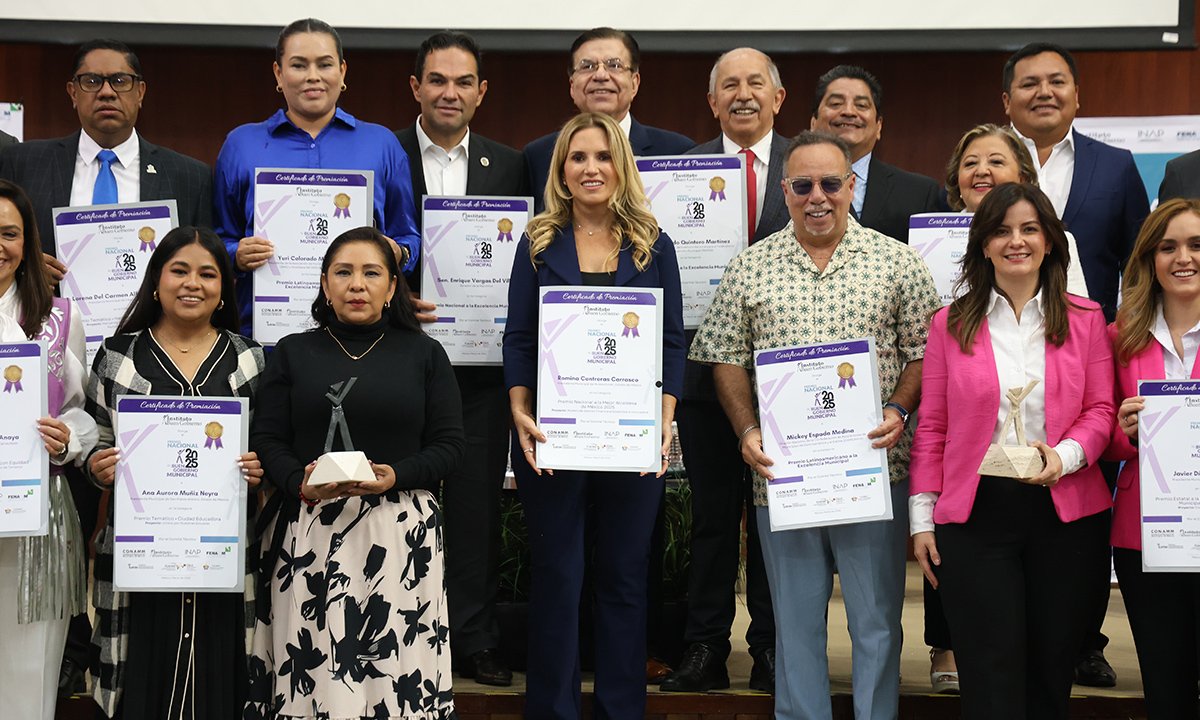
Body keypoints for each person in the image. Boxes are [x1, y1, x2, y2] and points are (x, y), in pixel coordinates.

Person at [690, 131, 940, 720]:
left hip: (873, 473)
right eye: (803, 186)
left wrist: (900, 409)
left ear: (852, 186)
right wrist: (748, 431)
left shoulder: (896, 261)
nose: (818, 197)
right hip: (785, 477)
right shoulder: (751, 266)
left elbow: (926, 352)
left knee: (876, 621)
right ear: (786, 191)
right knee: (793, 624)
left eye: (831, 183)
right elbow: (726, 356)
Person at [0, 41, 212, 692]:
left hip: (140, 375)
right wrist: (27, 258)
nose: (107, 92)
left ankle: (118, 646)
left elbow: (197, 273)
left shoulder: (188, 176)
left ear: (142, 92)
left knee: (126, 518)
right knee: (59, 508)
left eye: (121, 81)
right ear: (71, 93)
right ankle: (66, 649)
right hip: (46, 365)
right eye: (91, 81)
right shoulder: (25, 162)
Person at [909, 182, 1115, 720]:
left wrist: (1065, 456)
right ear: (982, 244)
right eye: (1001, 231)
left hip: (1065, 511)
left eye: (1029, 229)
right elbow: (931, 427)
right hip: (976, 515)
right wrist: (921, 519)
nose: (1015, 241)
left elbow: (1101, 411)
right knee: (989, 672)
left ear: (1050, 240)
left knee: (1050, 671)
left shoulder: (1087, 318)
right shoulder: (949, 324)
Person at [504, 112, 685, 719]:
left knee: (625, 580)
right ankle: (553, 710)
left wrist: (664, 421)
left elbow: (670, 344)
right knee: (559, 578)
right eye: (578, 157)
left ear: (621, 167)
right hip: (552, 437)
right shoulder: (536, 243)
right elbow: (520, 340)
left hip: (633, 439)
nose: (591, 168)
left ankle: (619, 709)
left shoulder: (654, 244)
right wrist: (519, 413)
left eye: (603, 157)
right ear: (561, 169)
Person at [246, 227, 464, 719]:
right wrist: (294, 480)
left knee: (393, 672)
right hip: (308, 533)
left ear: (392, 288)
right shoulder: (293, 350)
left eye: (371, 273)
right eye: (343, 273)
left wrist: (398, 475)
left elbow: (451, 447)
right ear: (325, 285)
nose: (356, 284)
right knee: (315, 668)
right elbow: (267, 439)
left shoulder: (424, 354)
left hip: (400, 536)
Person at [1001, 42, 1149, 686]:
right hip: (1003, 354)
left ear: (1078, 94)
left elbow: (1140, 259)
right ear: (1006, 100)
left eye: (1057, 81)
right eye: (1028, 83)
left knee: (1086, 495)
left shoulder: (1115, 168)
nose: (1044, 92)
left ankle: (1083, 636)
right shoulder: (988, 164)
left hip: (1089, 353)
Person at [84, 225, 265, 718]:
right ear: (156, 280)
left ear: (224, 289)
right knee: (141, 682)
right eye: (179, 270)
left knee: (221, 683)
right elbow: (97, 442)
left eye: (208, 274)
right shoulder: (118, 357)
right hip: (142, 556)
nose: (193, 283)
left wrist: (259, 468)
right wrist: (97, 466)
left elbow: (268, 449)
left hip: (222, 556)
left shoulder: (249, 359)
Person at [395, 29, 527, 688]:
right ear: (415, 87)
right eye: (437, 80)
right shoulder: (384, 155)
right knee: (396, 500)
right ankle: (397, 631)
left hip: (480, 368)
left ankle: (472, 635)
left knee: (475, 507)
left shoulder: (512, 167)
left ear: (481, 92)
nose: (450, 92)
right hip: (395, 362)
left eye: (463, 81)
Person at [662, 47, 787, 695]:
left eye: (755, 83)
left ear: (778, 97)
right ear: (712, 103)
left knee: (772, 519)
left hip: (789, 376)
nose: (743, 94)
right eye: (728, 85)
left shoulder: (811, 168)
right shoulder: (678, 174)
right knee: (713, 518)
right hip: (706, 372)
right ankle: (705, 647)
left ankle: (770, 648)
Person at [213, 18, 421, 336]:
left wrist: (398, 253)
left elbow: (408, 238)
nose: (313, 76)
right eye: (299, 65)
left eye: (324, 64)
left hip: (362, 336)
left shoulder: (381, 144)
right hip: (264, 333)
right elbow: (216, 239)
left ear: (342, 72)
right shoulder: (241, 145)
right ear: (278, 74)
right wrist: (236, 255)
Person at [0, 180, 98, 720]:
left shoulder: (60, 318)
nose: (0, 244)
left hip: (35, 513)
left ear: (28, 240)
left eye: (9, 233)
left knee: (28, 666)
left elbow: (82, 412)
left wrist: (67, 438)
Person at [1105, 198, 1200, 719]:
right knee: (1167, 689)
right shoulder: (1121, 339)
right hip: (1148, 536)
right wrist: (1124, 433)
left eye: (1195, 245)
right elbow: (1106, 440)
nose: (1183, 257)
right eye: (1168, 247)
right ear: (1150, 259)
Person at [523, 27, 693, 213]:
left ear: (634, 83)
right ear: (572, 86)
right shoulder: (538, 155)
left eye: (614, 65)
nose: (601, 75)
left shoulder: (678, 152)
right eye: (587, 66)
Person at [809, 65, 942, 243]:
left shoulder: (919, 193)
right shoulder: (790, 186)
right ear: (813, 123)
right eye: (836, 104)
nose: (849, 111)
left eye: (861, 105)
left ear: (879, 126)